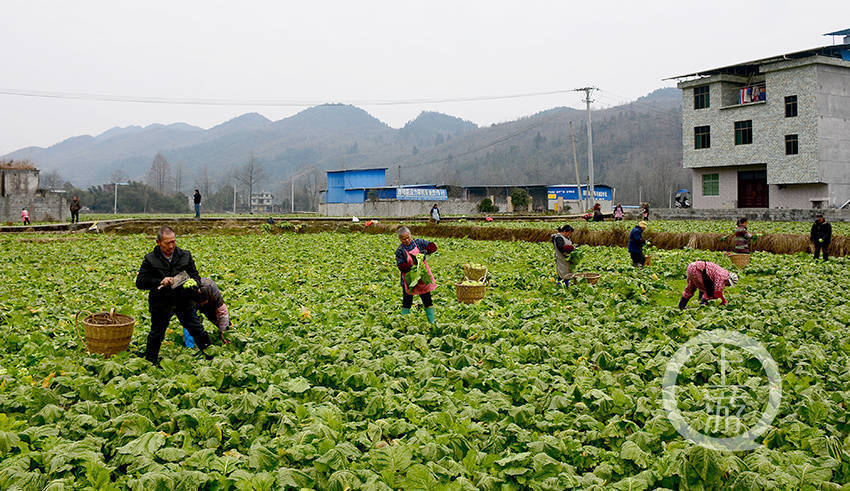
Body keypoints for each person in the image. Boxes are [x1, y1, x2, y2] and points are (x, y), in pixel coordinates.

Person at [135, 226, 213, 366]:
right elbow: (140, 282)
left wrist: (193, 282)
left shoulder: (185, 255)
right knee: (156, 334)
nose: (171, 246)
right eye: (167, 243)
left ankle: (211, 357)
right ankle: (150, 363)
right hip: (161, 302)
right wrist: (160, 281)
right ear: (158, 242)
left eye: (173, 242)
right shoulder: (150, 259)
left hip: (184, 300)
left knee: (197, 329)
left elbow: (195, 275)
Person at [395, 226, 437, 323]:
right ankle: (404, 322)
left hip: (422, 277)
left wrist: (426, 251)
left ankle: (432, 322)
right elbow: (401, 266)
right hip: (410, 278)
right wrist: (412, 265)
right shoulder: (400, 250)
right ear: (400, 239)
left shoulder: (418, 242)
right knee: (407, 301)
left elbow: (433, 246)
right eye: (404, 239)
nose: (407, 240)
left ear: (411, 235)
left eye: (408, 237)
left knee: (427, 300)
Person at [187, 278, 232, 345]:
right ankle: (191, 344)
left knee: (216, 317)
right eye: (201, 303)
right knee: (191, 320)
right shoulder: (188, 296)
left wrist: (224, 332)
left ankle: (229, 329)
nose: (202, 304)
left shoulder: (212, 291)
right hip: (191, 302)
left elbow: (222, 313)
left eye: (204, 303)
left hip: (211, 303)